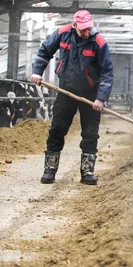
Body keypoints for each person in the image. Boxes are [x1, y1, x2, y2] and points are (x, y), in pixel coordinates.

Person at [31, 10, 113, 185]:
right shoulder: (62, 33)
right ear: (74, 25)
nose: (86, 32)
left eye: (88, 28)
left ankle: (87, 171)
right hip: (66, 91)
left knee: (90, 133)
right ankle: (50, 169)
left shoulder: (99, 42)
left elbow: (107, 72)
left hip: (90, 94)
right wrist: (37, 72)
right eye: (82, 29)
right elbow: (45, 51)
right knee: (57, 129)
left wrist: (100, 98)